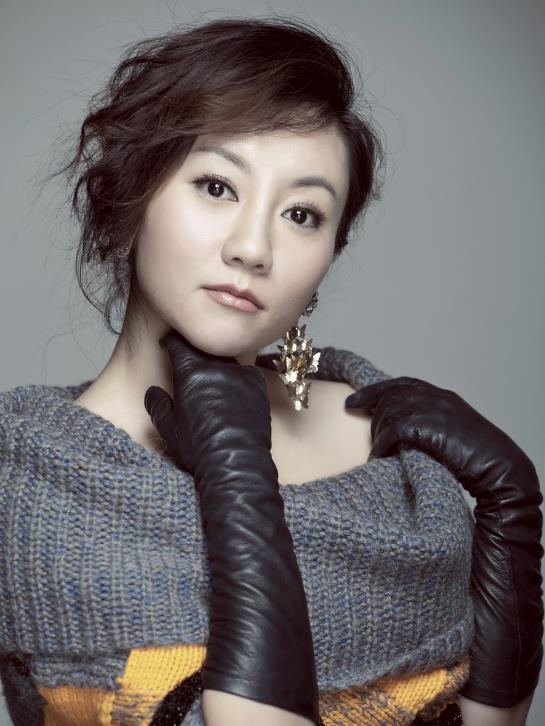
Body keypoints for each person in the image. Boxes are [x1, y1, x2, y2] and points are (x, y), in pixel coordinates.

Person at [0, 15, 542, 726]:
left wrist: (514, 515)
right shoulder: (33, 480)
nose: (253, 247)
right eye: (216, 186)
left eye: (301, 214)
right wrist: (238, 481)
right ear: (132, 195)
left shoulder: (395, 446)